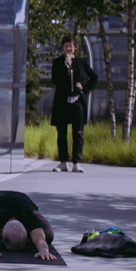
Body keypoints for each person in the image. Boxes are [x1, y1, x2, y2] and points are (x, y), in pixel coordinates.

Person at [0, 191, 58, 261]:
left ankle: (16, 237)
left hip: (24, 200)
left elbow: (40, 237)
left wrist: (44, 250)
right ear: (0, 231)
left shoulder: (28, 216)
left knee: (47, 236)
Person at [51, 36, 97, 173]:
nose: (68, 49)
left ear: (75, 48)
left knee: (77, 133)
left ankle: (76, 162)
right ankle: (63, 162)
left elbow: (94, 77)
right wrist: (65, 69)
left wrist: (84, 87)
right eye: (66, 46)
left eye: (71, 46)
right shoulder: (58, 62)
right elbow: (54, 80)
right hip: (62, 102)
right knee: (62, 133)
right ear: (63, 48)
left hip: (77, 101)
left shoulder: (81, 62)